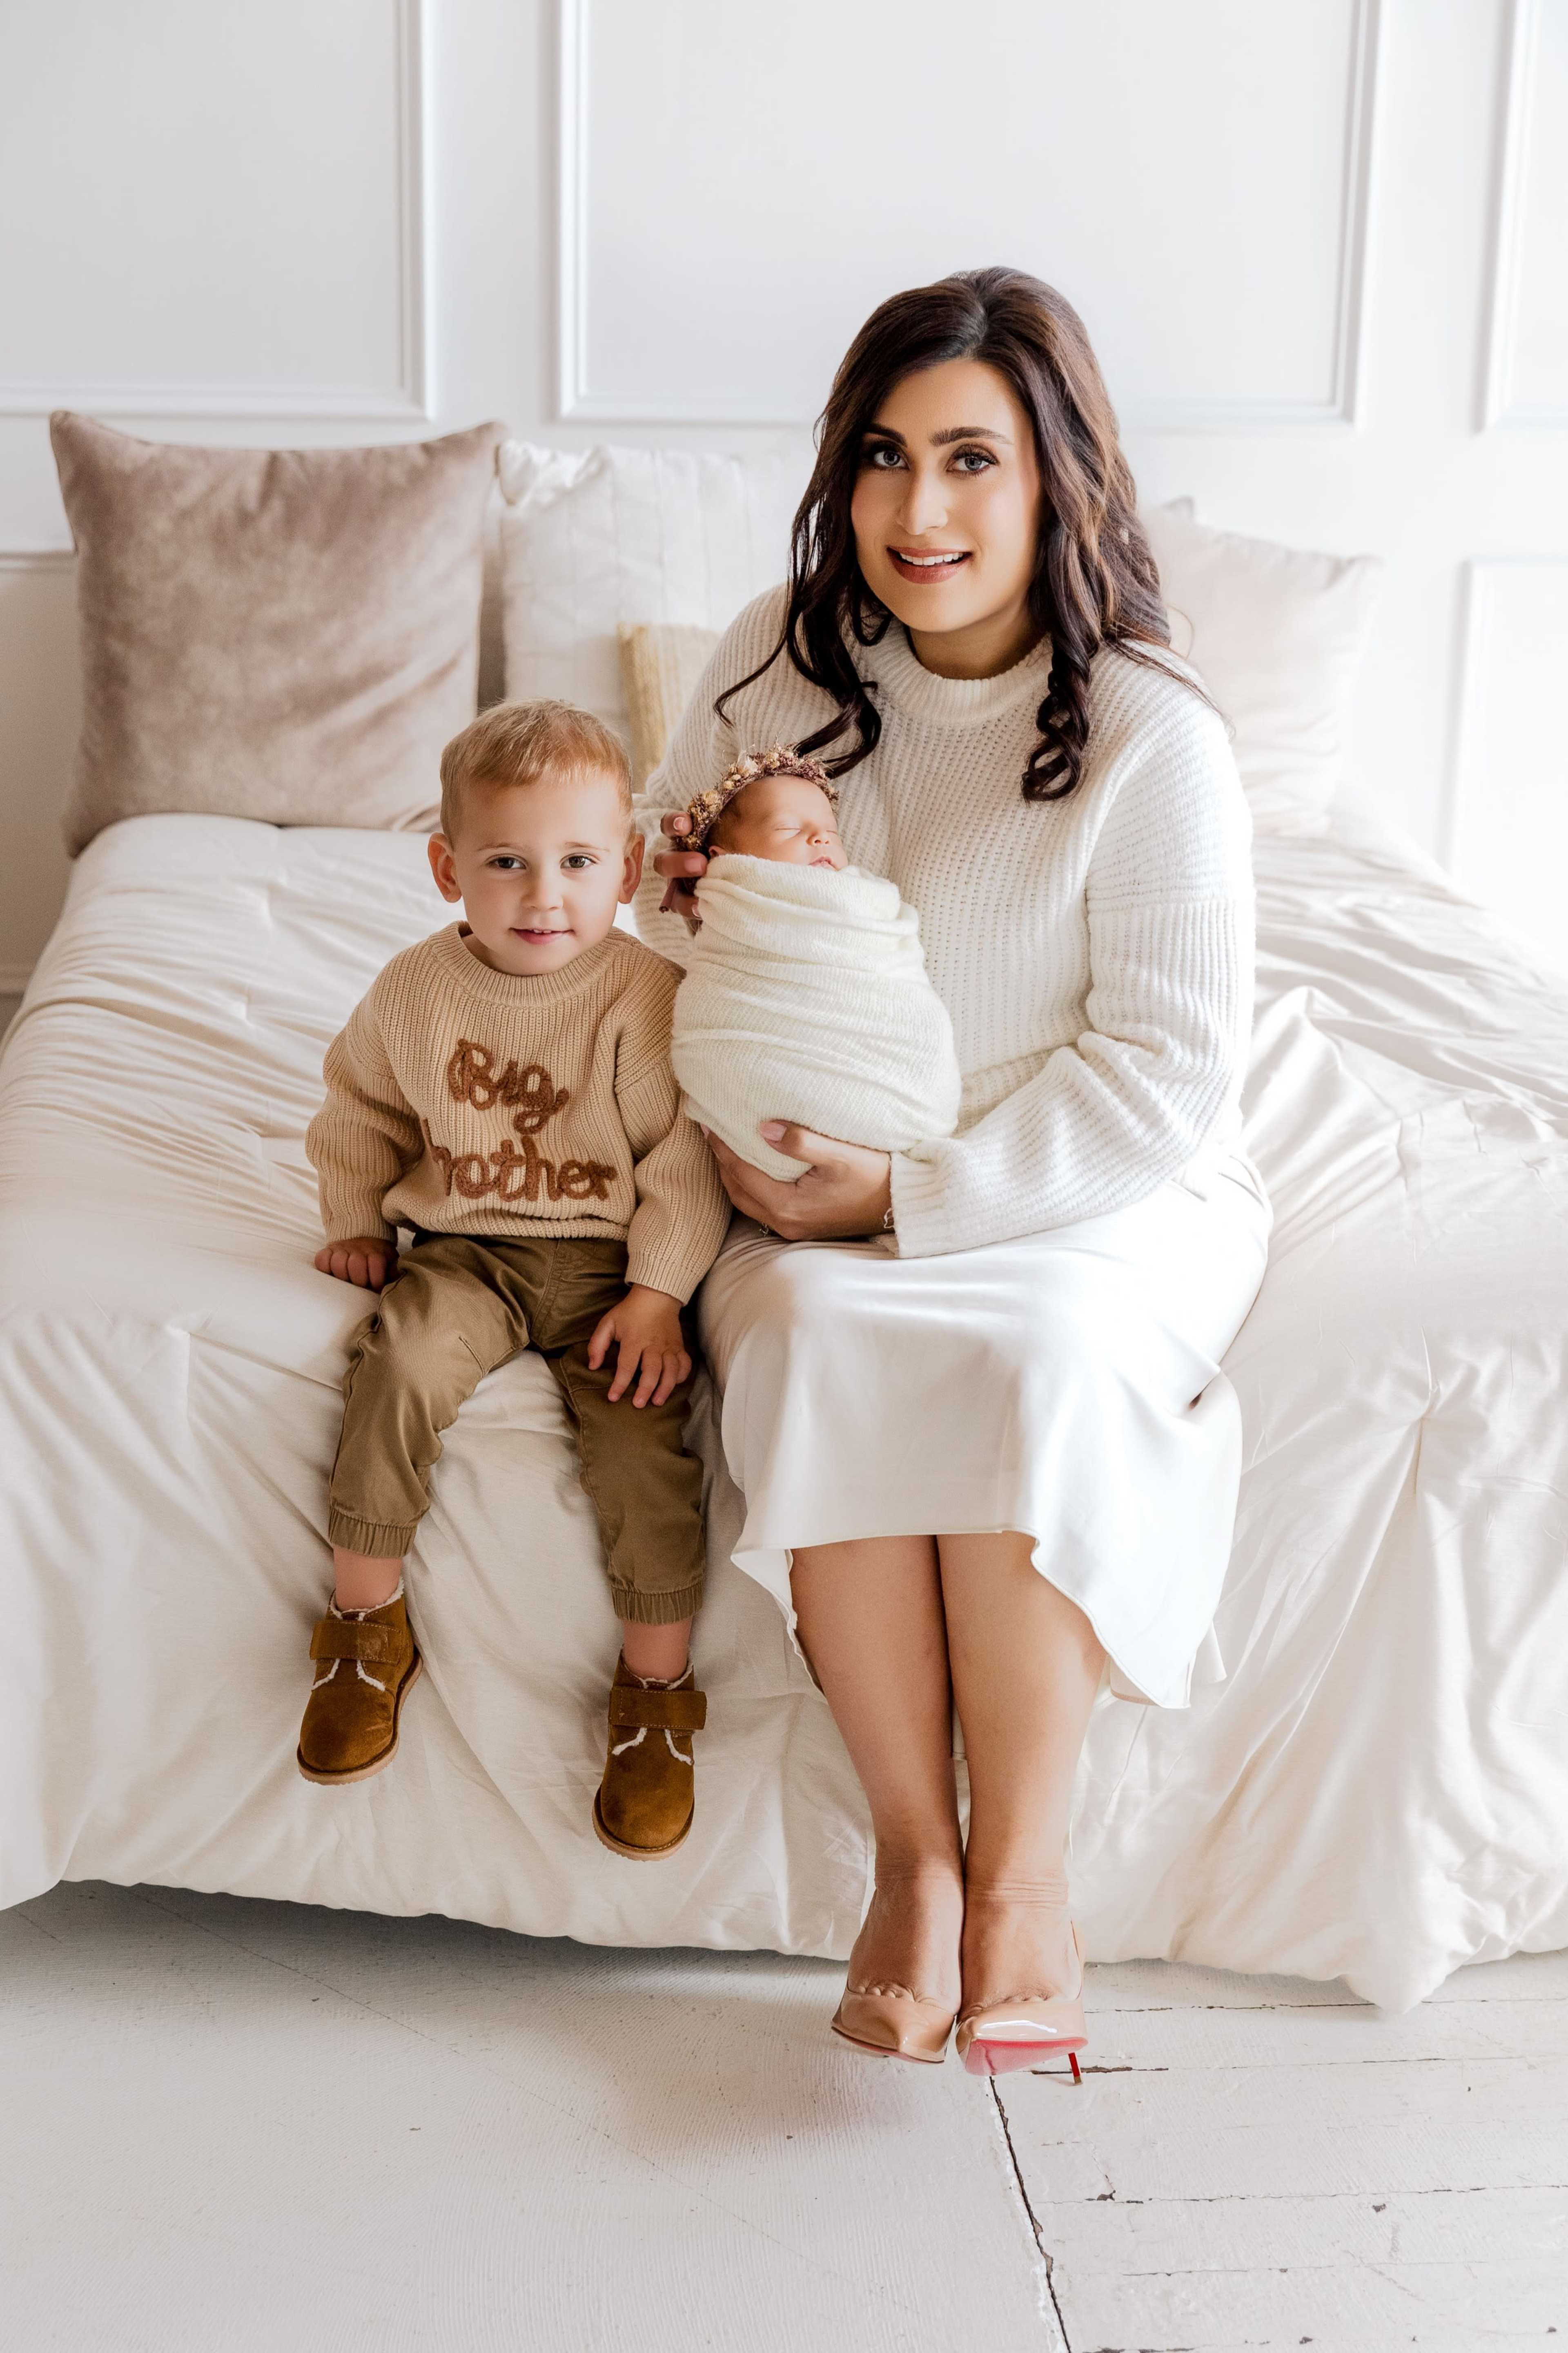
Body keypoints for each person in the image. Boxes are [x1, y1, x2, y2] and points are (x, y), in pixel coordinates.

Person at [638, 266, 1271, 2075]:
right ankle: (913, 1867)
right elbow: (683, 942)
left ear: (1060, 478)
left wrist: (915, 1206)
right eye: (884, 460)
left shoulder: (1156, 738)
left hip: (1084, 1183)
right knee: (832, 1348)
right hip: (808, 1170)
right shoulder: (777, 665)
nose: (919, 515)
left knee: (1034, 1366)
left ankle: (1025, 1892)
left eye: (973, 461)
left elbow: (1162, 1070)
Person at [300, 699, 731, 1862]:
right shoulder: (415, 992)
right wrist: (353, 1221)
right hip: (467, 1251)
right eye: (508, 863)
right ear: (450, 868)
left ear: (628, 868)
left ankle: (655, 1704)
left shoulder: (642, 999)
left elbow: (681, 1164)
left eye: (580, 863)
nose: (546, 897)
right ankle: (363, 1631)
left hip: (606, 1268)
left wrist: (658, 1293)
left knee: (647, 1450)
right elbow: (360, 1111)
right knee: (393, 1367)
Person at [670, 745, 961, 1182]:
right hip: (753, 1147)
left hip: (904, 1124)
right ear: (724, 861)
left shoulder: (865, 904)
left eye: (832, 831)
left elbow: (898, 981)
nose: (822, 838)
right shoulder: (730, 914)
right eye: (789, 828)